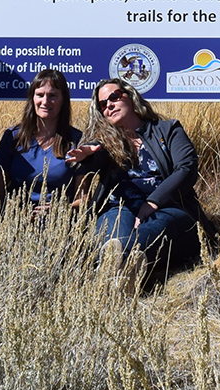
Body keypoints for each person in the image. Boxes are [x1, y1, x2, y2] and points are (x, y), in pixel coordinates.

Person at [66, 78, 205, 284]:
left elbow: (186, 168)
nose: (109, 105)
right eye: (103, 104)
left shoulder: (168, 129)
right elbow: (97, 156)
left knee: (148, 234)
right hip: (119, 208)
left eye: (114, 97)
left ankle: (120, 274)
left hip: (170, 208)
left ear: (130, 97)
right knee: (114, 241)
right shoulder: (105, 142)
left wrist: (153, 202)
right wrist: (88, 153)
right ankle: (124, 279)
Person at [0, 69, 81, 212]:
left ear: (63, 99)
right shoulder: (13, 137)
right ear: (32, 98)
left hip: (60, 222)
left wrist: (62, 210)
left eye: (53, 96)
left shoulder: (76, 140)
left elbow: (83, 198)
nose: (45, 102)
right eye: (40, 95)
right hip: (16, 222)